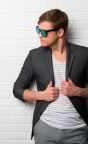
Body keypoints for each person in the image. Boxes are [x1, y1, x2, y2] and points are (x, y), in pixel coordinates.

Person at [13, 9, 88, 144]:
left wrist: (78, 91)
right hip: (45, 130)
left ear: (60, 32)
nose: (39, 35)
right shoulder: (34, 55)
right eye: (38, 30)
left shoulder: (84, 54)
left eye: (44, 32)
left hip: (78, 131)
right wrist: (42, 95)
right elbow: (17, 90)